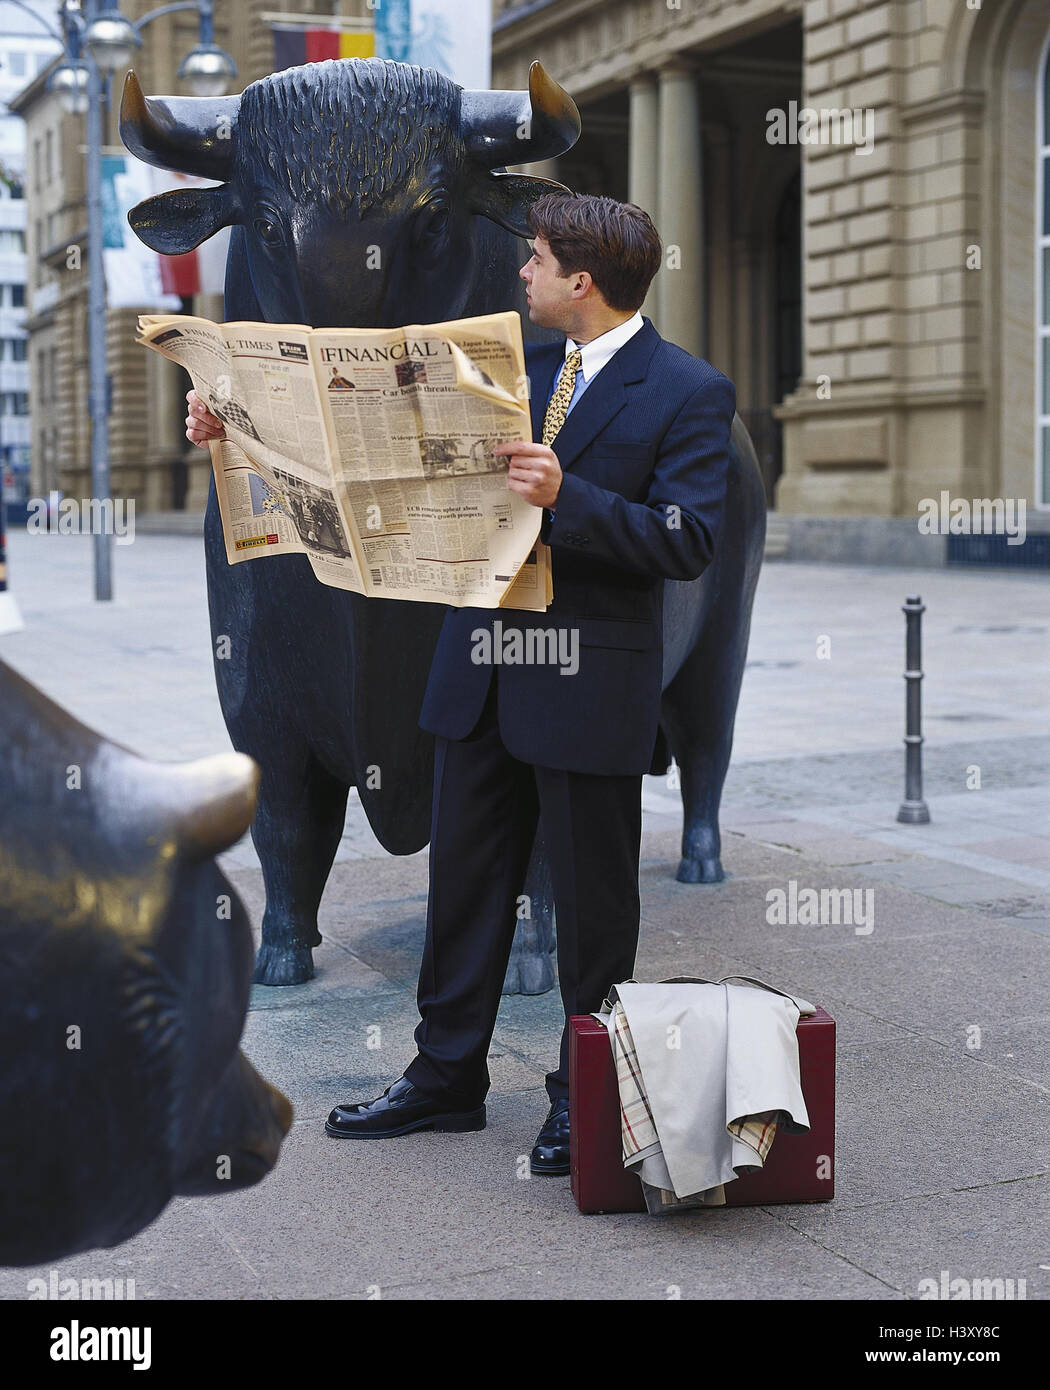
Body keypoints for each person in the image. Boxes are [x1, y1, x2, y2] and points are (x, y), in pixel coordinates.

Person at [185, 192, 736, 1175]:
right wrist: (233, 425)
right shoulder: (507, 373)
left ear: (584, 279)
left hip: (584, 685)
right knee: (465, 891)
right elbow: (366, 448)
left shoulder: (689, 391)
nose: (520, 272)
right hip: (480, 673)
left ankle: (587, 1091)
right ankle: (446, 1079)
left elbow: (686, 539)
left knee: (594, 907)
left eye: (535, 260)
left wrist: (573, 497)